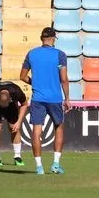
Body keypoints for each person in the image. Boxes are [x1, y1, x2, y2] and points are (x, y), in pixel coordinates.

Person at [20, 27, 71, 175]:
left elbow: (22, 76)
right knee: (58, 127)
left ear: (41, 38)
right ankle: (55, 164)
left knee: (36, 130)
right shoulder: (60, 54)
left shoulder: (32, 53)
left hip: (38, 98)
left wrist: (35, 83)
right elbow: (64, 78)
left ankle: (39, 167)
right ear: (53, 39)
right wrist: (67, 98)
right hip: (55, 98)